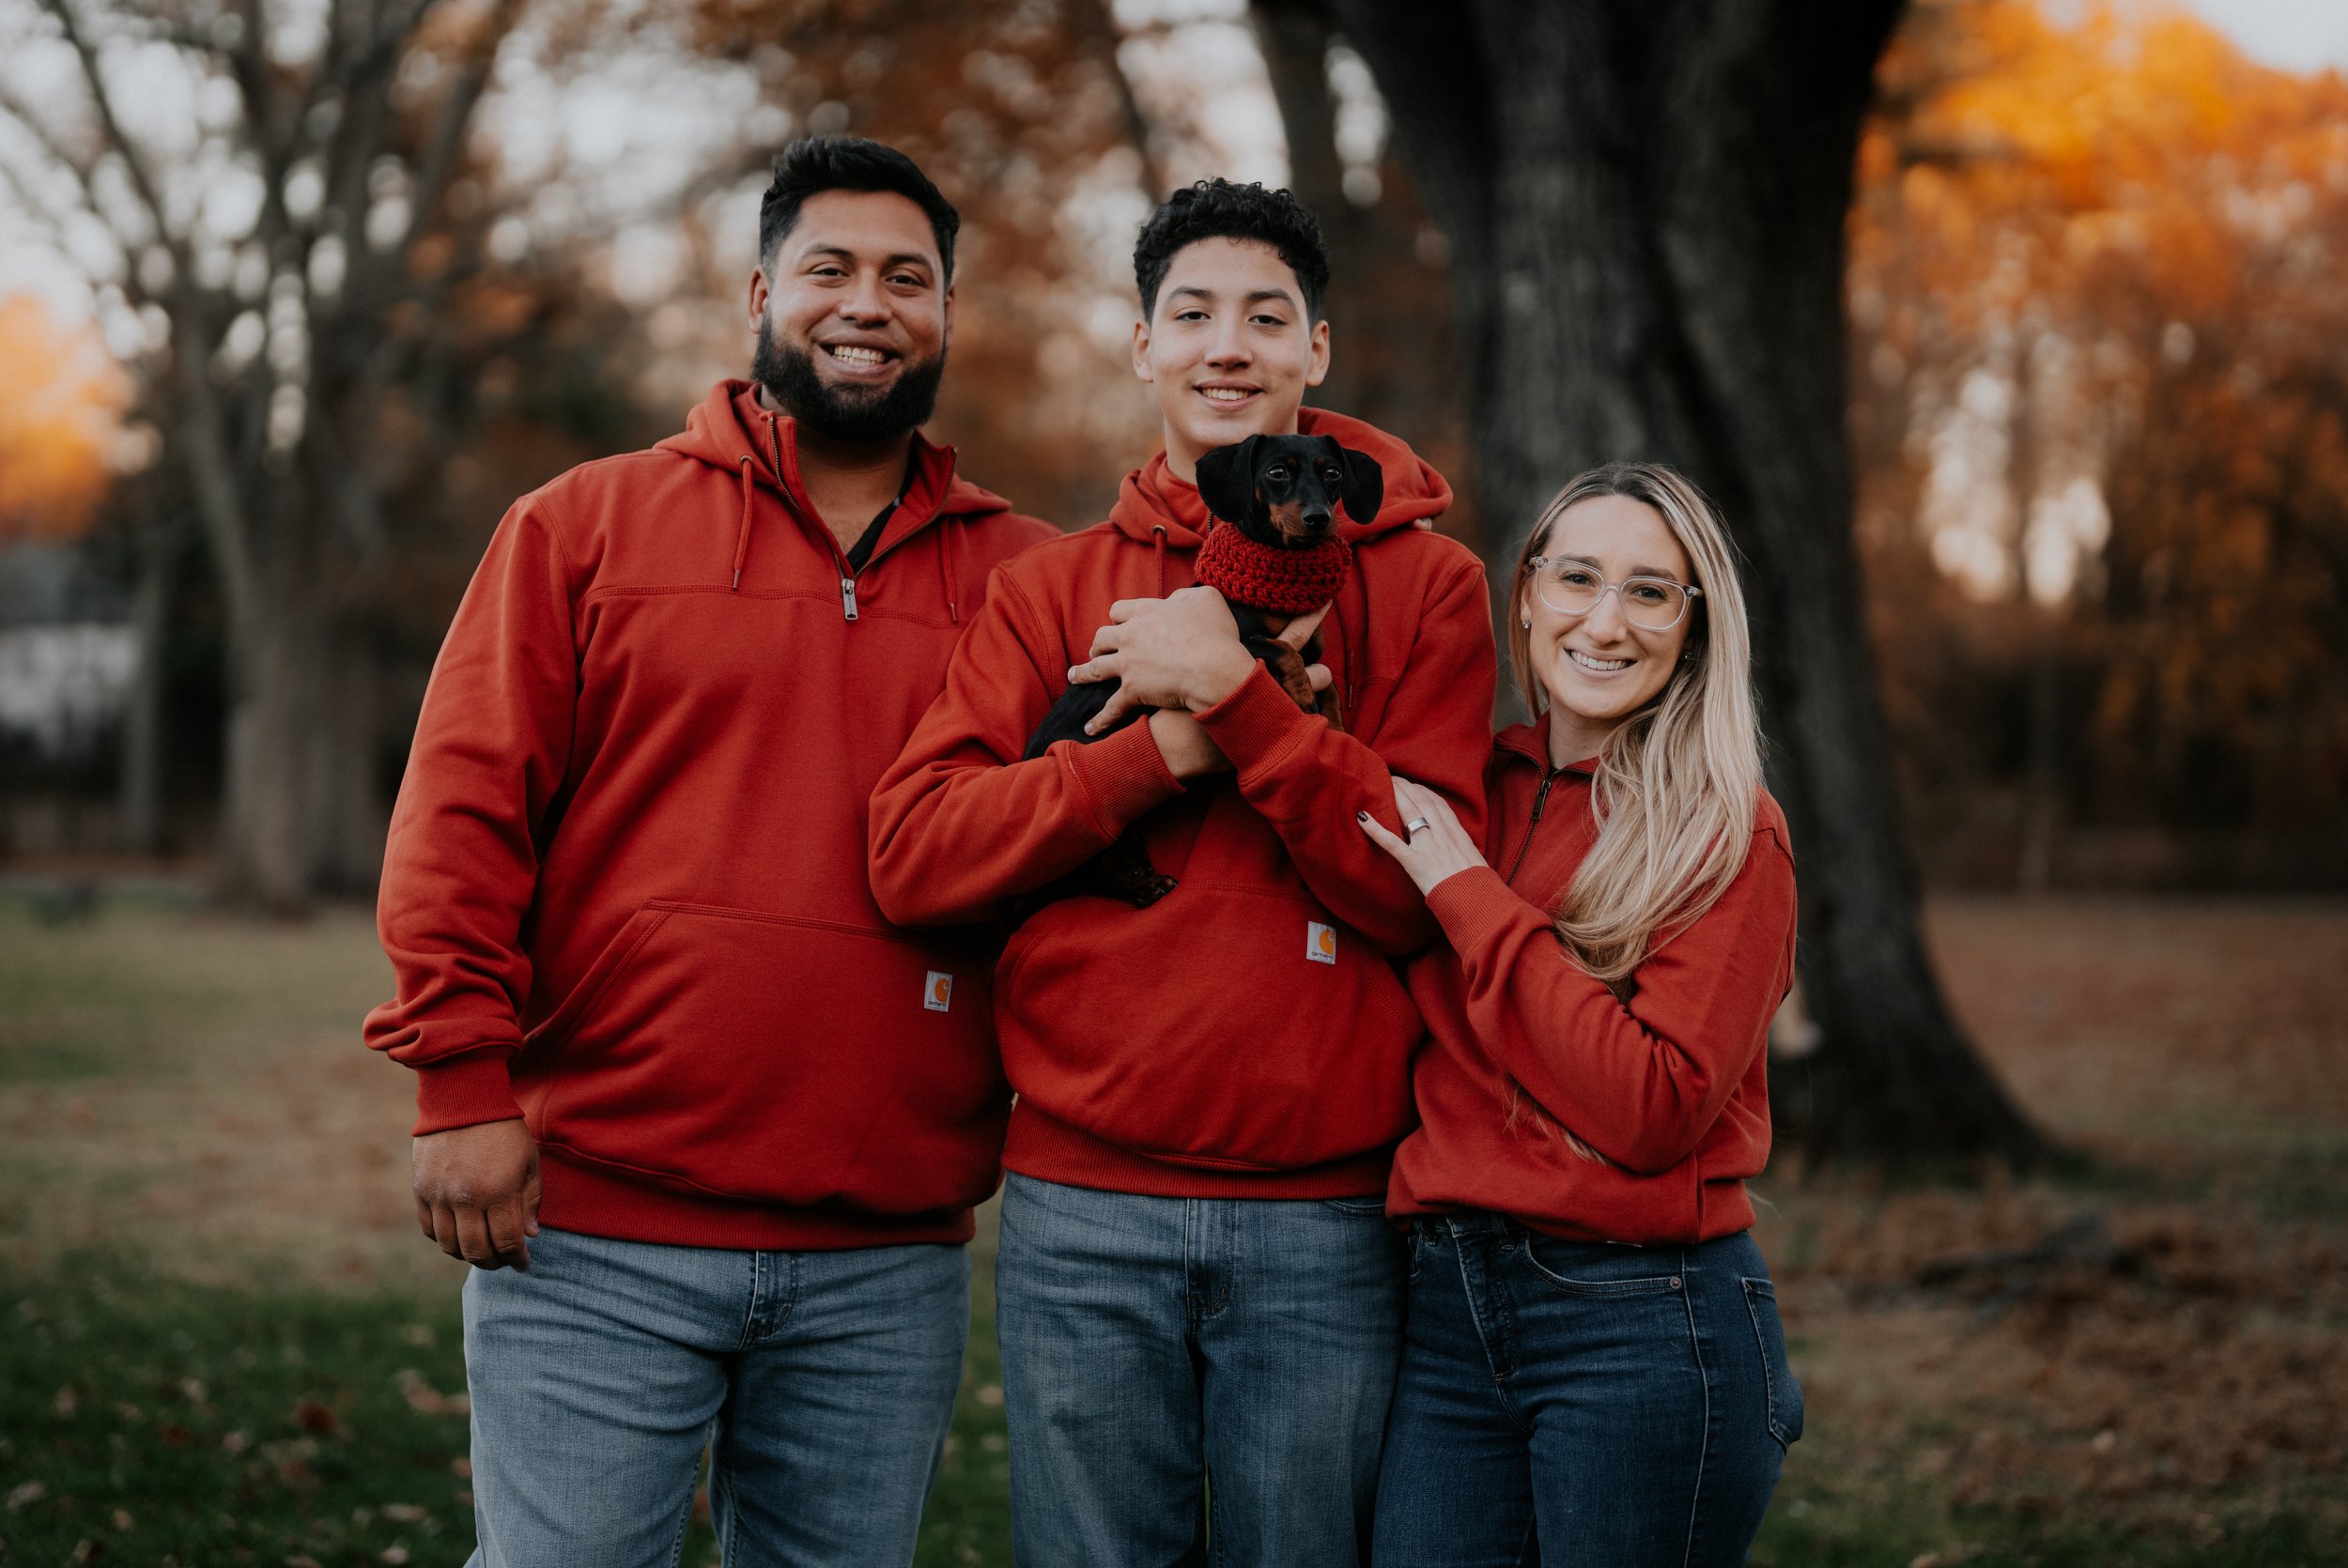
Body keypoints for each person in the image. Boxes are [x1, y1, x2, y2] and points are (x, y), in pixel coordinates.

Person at [362, 136, 1055, 1568]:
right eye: (831, 270)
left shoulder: (1030, 582)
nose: (868, 303)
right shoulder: (584, 525)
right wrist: (456, 1080)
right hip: (596, 1225)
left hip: (887, 1251)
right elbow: (461, 811)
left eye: (907, 278)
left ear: (944, 315)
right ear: (760, 291)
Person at [868, 178, 1498, 1567]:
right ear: (1141, 342)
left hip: (1326, 1214)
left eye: (1266, 317)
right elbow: (918, 858)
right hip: (1082, 1207)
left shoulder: (1433, 589)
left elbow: (1421, 893)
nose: (1229, 345)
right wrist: (1165, 751)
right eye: (1192, 313)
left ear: (1315, 352)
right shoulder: (1049, 587)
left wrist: (1243, 704)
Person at [1355, 461, 1803, 1567]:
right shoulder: (1466, 795)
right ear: (1524, 594)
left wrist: (1470, 900)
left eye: (1651, 591)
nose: (1605, 621)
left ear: (1696, 626)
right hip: (1447, 1306)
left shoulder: (1724, 832)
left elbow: (1650, 1107)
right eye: (1578, 578)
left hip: (1644, 1322)